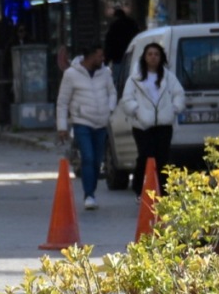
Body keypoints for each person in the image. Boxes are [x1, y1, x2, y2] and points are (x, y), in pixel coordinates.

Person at [56, 44, 118, 210]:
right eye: (99, 56)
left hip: (101, 122)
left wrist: (110, 108)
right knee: (88, 157)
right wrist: (62, 126)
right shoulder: (71, 74)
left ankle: (92, 191)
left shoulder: (105, 73)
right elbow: (62, 102)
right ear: (89, 56)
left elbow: (112, 92)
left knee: (98, 160)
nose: (102, 59)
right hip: (82, 121)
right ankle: (88, 194)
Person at [119, 39, 185, 188]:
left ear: (161, 57)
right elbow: (127, 99)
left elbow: (179, 94)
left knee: (162, 159)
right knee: (145, 157)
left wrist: (173, 109)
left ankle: (163, 191)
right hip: (142, 125)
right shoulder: (134, 79)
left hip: (164, 124)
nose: (153, 57)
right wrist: (137, 111)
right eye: (150, 54)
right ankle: (138, 188)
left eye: (156, 54)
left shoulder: (168, 77)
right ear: (144, 57)